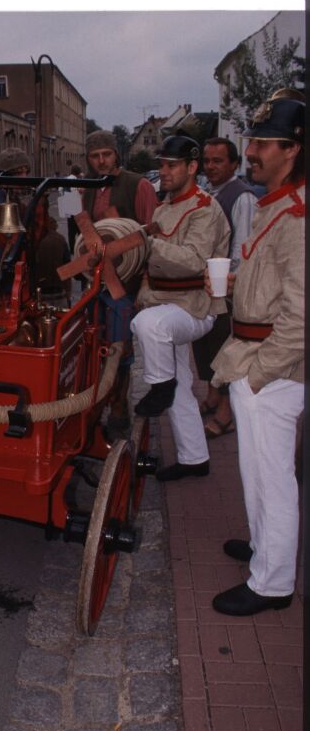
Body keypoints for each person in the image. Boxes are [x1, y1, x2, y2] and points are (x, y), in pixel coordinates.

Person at [210, 97, 304, 616]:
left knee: (273, 476)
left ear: (293, 150)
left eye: (263, 143)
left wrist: (261, 373)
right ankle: (264, 547)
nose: (252, 151)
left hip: (273, 367)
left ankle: (273, 581)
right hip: (254, 356)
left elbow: (300, 314)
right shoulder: (275, 205)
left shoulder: (298, 215)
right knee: (256, 470)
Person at [130, 135, 231, 480]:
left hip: (197, 306)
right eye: (161, 164)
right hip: (166, 302)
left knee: (150, 327)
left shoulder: (205, 208)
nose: (164, 171)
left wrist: (147, 243)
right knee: (180, 381)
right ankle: (194, 458)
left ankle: (159, 387)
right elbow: (151, 265)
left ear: (191, 167)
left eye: (171, 165)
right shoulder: (163, 206)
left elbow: (192, 260)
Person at [81, 130, 158, 435]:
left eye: (106, 154)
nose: (101, 161)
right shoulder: (85, 188)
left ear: (116, 154)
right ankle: (98, 399)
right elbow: (82, 233)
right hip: (95, 283)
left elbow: (151, 237)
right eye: (95, 156)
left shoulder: (138, 185)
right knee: (94, 343)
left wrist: (146, 284)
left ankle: (118, 405)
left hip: (124, 283)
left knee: (119, 346)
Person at [193, 137, 257, 438]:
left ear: (234, 164)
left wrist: (229, 284)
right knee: (207, 344)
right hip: (208, 285)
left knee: (226, 348)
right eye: (207, 161)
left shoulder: (240, 196)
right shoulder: (208, 192)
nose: (211, 166)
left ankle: (226, 414)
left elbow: (242, 249)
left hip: (227, 288)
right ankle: (213, 395)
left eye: (218, 161)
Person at [0, 147, 49, 275]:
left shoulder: (14, 197)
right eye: (18, 173)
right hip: (2, 273)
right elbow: (19, 244)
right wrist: (38, 207)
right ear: (6, 176)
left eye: (26, 172)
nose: (24, 178)